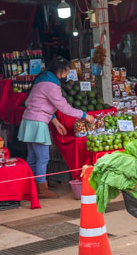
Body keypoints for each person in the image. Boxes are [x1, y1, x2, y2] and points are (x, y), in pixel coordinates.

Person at [18, 56, 86, 199]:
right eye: (67, 71)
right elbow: (64, 108)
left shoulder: (42, 79)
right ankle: (42, 188)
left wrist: (55, 121)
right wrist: (84, 115)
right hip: (37, 122)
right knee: (42, 158)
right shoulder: (51, 84)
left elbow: (40, 103)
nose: (67, 74)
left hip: (29, 120)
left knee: (32, 157)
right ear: (60, 70)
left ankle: (32, 186)